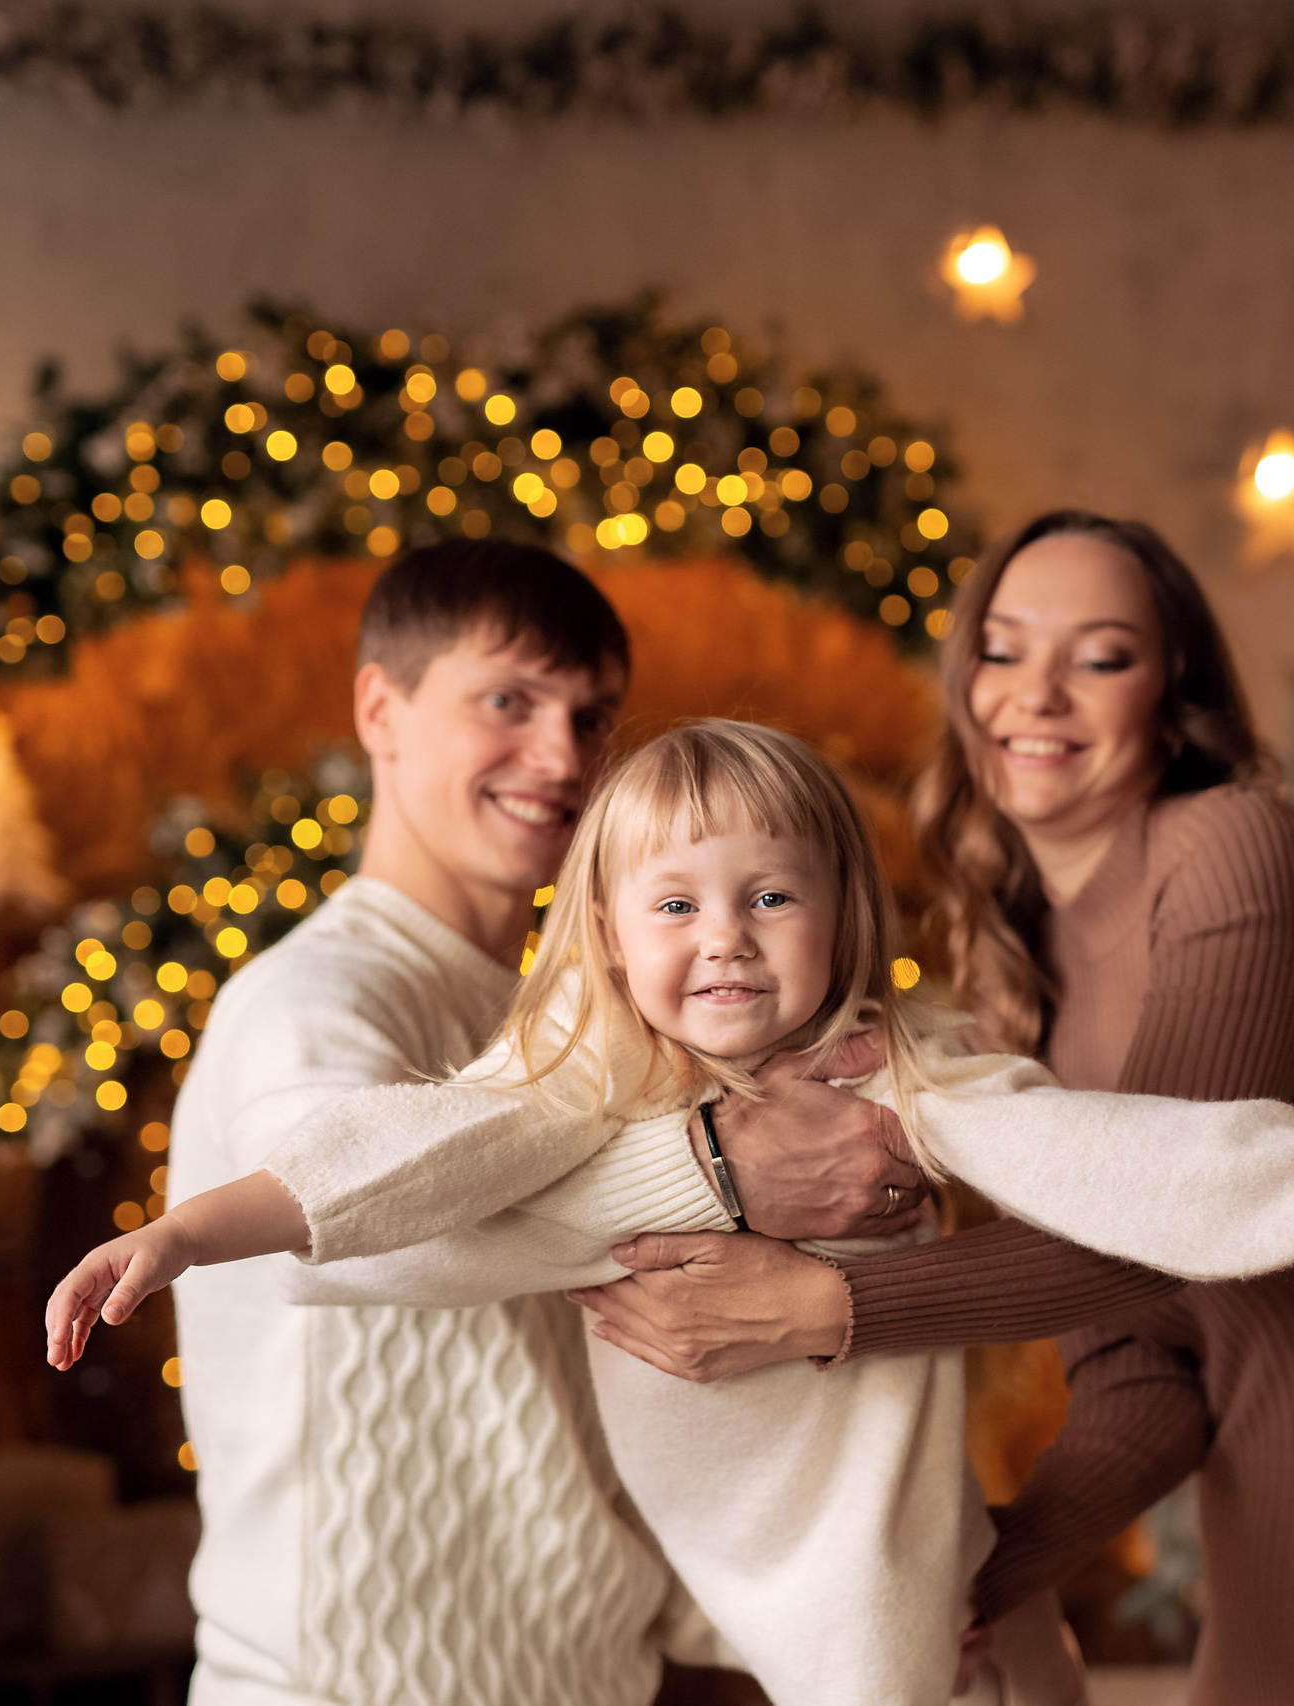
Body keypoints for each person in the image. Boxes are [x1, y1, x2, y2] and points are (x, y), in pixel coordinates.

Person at [53, 719, 1294, 1706]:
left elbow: (1102, 1151)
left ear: (841, 914)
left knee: (935, 1654)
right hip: (691, 1533)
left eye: (771, 896)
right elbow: (396, 1157)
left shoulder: (894, 1059)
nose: (727, 941)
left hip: (856, 1526)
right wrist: (185, 1231)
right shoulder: (581, 1071)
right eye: (678, 905)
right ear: (612, 934)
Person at [571, 514, 1294, 1704]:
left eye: (1102, 656)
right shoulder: (1023, 963)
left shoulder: (1238, 856)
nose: (1039, 694)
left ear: (1174, 693)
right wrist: (991, 1572)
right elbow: (1146, 1366)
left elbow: (1152, 1221)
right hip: (1260, 1629)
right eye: (1005, 650)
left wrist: (829, 1304)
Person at [157, 542, 928, 1706]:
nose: (561, 756)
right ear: (382, 707)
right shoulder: (314, 998)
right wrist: (718, 1169)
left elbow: (592, 1382)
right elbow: (353, 1233)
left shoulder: (573, 1022)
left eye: (592, 714)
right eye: (507, 701)